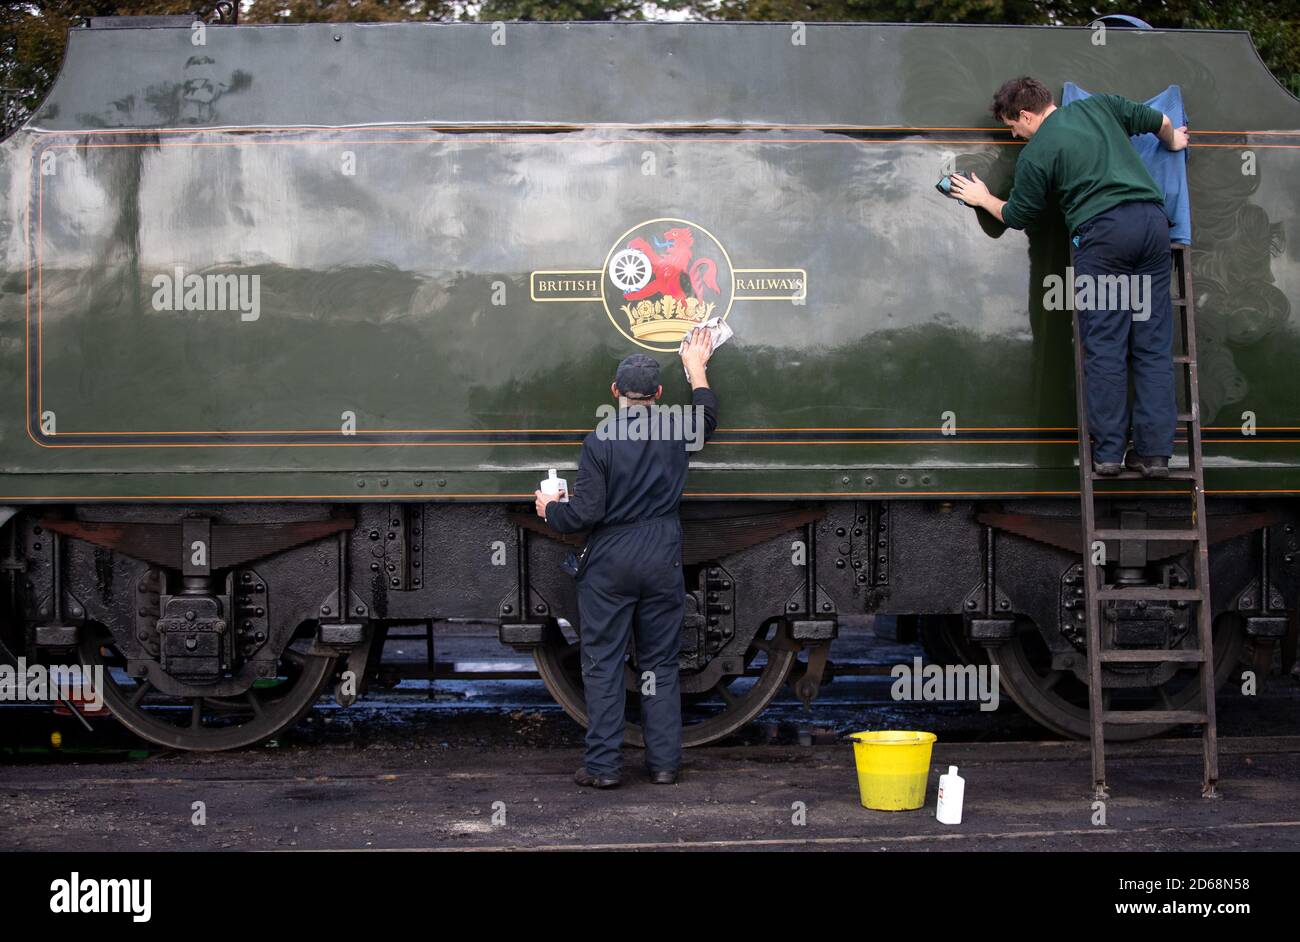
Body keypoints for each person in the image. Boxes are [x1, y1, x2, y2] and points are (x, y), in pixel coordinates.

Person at [950, 76, 1189, 478]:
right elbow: (1160, 120)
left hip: (1105, 237)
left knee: (1107, 346)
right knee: (1151, 344)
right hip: (1152, 226)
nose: (1014, 133)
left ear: (1026, 114)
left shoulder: (1037, 152)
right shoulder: (1102, 105)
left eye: (1013, 125)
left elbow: (1017, 216)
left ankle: (1111, 454)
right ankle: (1155, 455)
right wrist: (1172, 143)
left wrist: (982, 198)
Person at [534, 327, 717, 788]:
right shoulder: (678, 432)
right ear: (657, 394)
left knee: (604, 664)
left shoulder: (599, 441)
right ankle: (664, 765)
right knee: (660, 664)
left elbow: (585, 513)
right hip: (661, 559)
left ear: (616, 392)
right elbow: (707, 415)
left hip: (611, 562)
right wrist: (696, 368)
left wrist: (550, 509)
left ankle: (603, 768)